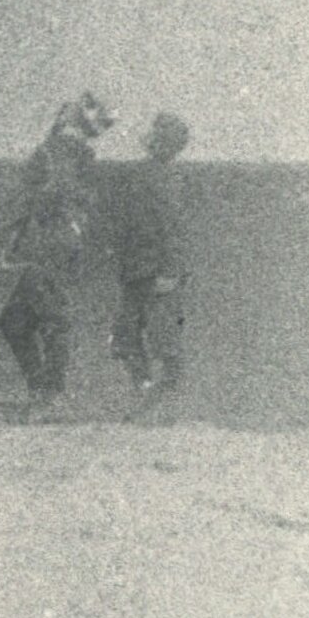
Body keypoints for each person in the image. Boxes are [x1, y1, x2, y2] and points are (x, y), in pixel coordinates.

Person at [0, 92, 115, 414]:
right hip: (62, 242)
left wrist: (14, 238)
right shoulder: (81, 155)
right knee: (21, 320)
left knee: (41, 320)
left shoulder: (53, 151)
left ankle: (49, 394)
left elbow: (41, 195)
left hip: (46, 242)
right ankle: (45, 391)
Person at [110, 112, 191, 402]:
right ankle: (146, 392)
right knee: (125, 336)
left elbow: (172, 227)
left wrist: (170, 272)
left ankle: (165, 398)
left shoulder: (167, 179)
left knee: (162, 338)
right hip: (137, 269)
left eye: (158, 136)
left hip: (157, 271)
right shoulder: (146, 173)